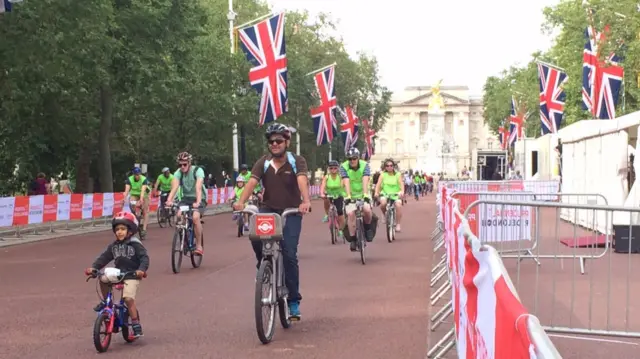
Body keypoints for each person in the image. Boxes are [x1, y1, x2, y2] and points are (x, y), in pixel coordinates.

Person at [232, 122, 311, 320]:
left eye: (278, 141)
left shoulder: (297, 161)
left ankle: (293, 300)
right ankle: (263, 265)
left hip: (291, 212)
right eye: (271, 141)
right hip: (269, 209)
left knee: (289, 253)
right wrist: (240, 202)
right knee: (255, 236)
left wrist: (306, 201)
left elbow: (302, 179)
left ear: (287, 142)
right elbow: (252, 181)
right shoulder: (264, 162)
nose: (274, 144)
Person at [85, 212, 149, 337]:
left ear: (130, 231)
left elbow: (144, 258)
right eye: (117, 229)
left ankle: (135, 324)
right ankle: (106, 302)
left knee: (128, 299)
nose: (119, 232)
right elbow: (104, 258)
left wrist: (141, 270)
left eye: (123, 229)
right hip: (119, 273)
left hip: (132, 275)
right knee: (103, 278)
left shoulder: (135, 244)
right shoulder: (114, 246)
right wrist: (94, 268)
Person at [166, 152, 207, 255]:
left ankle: (199, 246)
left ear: (189, 163)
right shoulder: (178, 173)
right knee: (179, 215)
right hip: (186, 199)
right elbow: (175, 187)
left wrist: (198, 202)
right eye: (180, 165)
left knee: (195, 218)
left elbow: (198, 187)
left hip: (199, 198)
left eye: (185, 164)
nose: (182, 167)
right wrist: (169, 200)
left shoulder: (198, 171)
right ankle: (184, 237)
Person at [340, 147, 377, 251]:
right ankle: (352, 239)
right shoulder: (343, 167)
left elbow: (365, 180)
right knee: (351, 214)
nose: (352, 161)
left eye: (354, 158)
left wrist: (365, 195)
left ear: (358, 158)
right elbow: (346, 181)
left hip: (362, 192)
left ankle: (368, 228)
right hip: (350, 194)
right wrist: (347, 196)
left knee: (367, 209)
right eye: (350, 159)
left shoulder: (365, 165)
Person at [374, 158, 405, 231]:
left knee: (398, 205)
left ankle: (398, 224)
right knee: (383, 203)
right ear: (385, 167)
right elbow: (378, 185)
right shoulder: (382, 175)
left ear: (394, 166)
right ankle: (385, 214)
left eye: (391, 165)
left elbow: (401, 184)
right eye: (387, 166)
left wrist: (402, 192)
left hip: (395, 194)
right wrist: (376, 192)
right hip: (385, 193)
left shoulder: (398, 174)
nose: (389, 167)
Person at [320, 160, 346, 237]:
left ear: (338, 168)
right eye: (331, 168)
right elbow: (323, 185)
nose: (333, 170)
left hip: (339, 194)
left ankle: (341, 229)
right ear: (329, 169)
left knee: (340, 212)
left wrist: (343, 194)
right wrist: (321, 193)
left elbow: (342, 186)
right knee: (326, 199)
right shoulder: (327, 177)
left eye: (335, 168)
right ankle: (327, 214)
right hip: (330, 194)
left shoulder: (340, 177)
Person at [123, 168, 150, 237]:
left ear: (140, 174)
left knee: (145, 211)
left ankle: (144, 229)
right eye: (135, 175)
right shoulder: (130, 179)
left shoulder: (144, 179)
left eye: (138, 175)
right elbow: (126, 190)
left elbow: (143, 191)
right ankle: (135, 216)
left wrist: (141, 199)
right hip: (134, 194)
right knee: (132, 205)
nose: (137, 176)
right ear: (133, 174)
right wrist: (124, 198)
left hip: (144, 194)